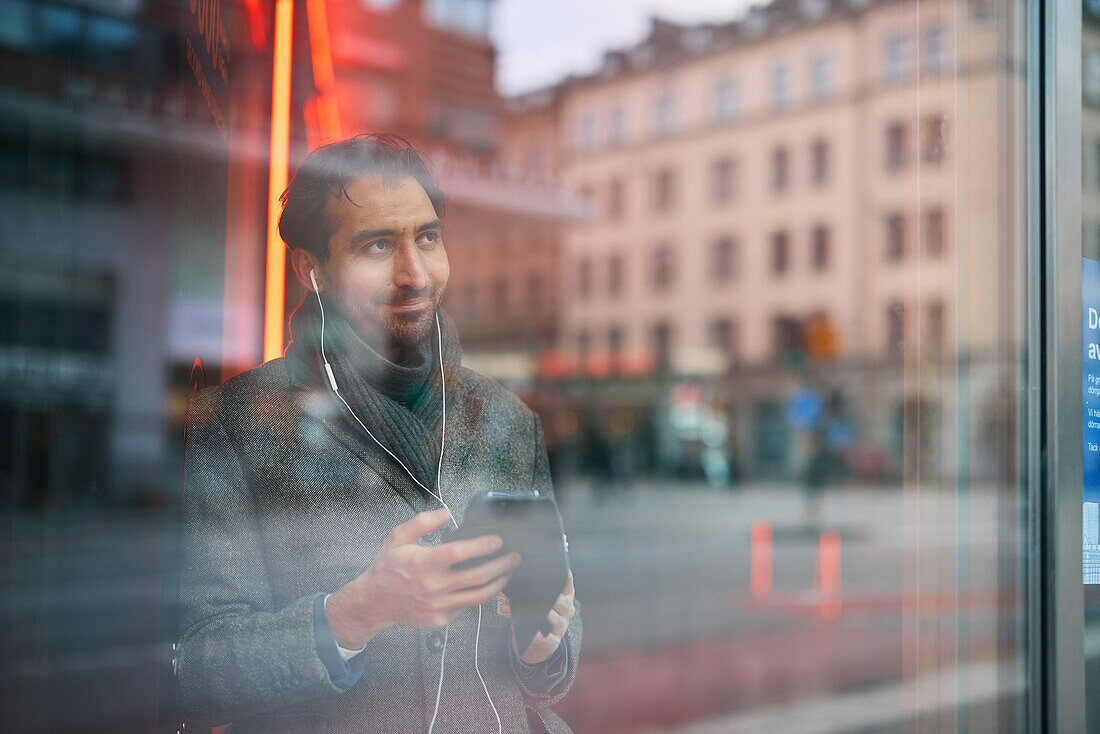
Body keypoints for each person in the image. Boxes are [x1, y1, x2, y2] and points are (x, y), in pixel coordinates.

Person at [176, 134, 580, 734]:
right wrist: (354, 614)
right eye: (376, 245)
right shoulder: (235, 423)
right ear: (311, 269)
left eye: (427, 237)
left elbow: (560, 643)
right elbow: (199, 666)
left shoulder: (507, 420)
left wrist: (544, 644)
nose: (414, 273)